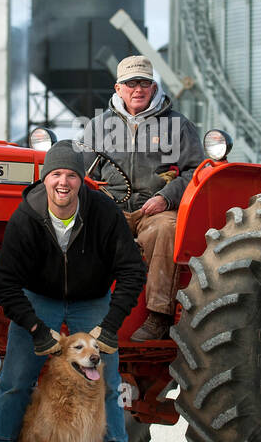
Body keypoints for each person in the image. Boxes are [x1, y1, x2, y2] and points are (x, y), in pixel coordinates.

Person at [0, 140, 147, 442]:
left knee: (107, 385)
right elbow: (3, 282)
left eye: (70, 175)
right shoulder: (27, 217)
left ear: (81, 180)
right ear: (44, 179)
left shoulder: (104, 214)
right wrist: (35, 327)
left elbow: (132, 271)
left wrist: (111, 324)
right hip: (41, 300)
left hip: (92, 300)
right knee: (16, 383)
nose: (62, 182)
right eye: (55, 175)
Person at [83, 56, 202, 341]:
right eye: (131, 83)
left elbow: (195, 171)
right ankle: (82, 312)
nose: (138, 89)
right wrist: (95, 194)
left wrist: (165, 197)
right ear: (118, 88)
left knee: (167, 229)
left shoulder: (178, 126)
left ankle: (158, 317)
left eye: (145, 83)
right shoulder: (98, 127)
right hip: (112, 209)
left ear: (153, 86)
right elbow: (81, 172)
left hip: (155, 211)